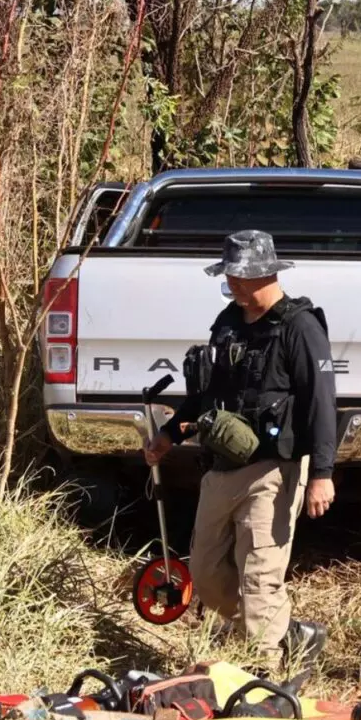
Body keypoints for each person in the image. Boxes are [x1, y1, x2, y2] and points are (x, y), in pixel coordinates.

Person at [145, 229, 336, 669]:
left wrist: (322, 474)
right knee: (206, 576)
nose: (230, 283)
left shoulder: (300, 327)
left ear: (262, 274)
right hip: (221, 467)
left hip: (273, 470)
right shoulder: (228, 322)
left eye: (237, 276)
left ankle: (263, 672)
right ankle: (286, 632)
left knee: (260, 575)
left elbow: (321, 402)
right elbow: (204, 394)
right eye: (229, 275)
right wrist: (170, 433)